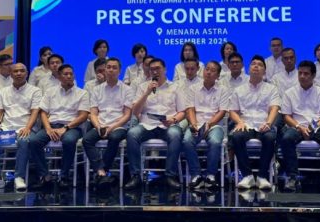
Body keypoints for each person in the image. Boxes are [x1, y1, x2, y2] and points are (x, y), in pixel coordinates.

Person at [124, 58, 186, 189]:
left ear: (165, 69)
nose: (155, 72)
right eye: (152, 69)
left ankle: (170, 176)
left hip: (168, 124)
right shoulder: (143, 87)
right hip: (147, 125)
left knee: (176, 134)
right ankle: (135, 176)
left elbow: (182, 112)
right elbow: (135, 111)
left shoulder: (175, 87)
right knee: (132, 134)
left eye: (158, 68)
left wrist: (173, 120)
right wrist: (147, 92)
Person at [0, 63, 42, 191]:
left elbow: (35, 112)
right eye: (15, 71)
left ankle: (19, 177)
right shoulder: (3, 91)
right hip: (7, 128)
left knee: (23, 140)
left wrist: (28, 128)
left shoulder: (35, 91)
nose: (19, 73)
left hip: (25, 128)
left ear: (27, 73)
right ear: (11, 74)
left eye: (22, 71)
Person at [280, 60, 320, 193]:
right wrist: (299, 127)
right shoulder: (289, 93)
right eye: (300, 73)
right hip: (296, 126)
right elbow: (286, 116)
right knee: (286, 139)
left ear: (313, 75)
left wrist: (313, 126)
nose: (302, 76)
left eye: (306, 74)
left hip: (317, 126)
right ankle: (292, 177)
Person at [30, 64, 90, 188]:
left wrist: (66, 128)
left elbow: (83, 116)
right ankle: (45, 175)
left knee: (68, 141)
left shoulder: (82, 93)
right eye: (65, 74)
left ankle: (64, 176)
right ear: (59, 76)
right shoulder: (50, 91)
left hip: (72, 127)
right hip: (51, 125)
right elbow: (43, 112)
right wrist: (48, 128)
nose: (69, 76)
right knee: (34, 141)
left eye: (71, 74)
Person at [229, 55, 279, 190]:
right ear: (248, 69)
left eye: (260, 65)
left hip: (264, 124)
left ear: (264, 71)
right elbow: (232, 111)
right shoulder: (239, 90)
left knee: (270, 137)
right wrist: (239, 122)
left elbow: (274, 108)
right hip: (246, 124)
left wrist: (268, 123)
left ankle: (262, 176)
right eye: (253, 64)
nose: (256, 66)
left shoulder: (271, 89)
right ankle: (247, 176)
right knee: (237, 136)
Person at [83, 57, 133, 186]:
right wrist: (99, 126)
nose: (111, 70)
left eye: (114, 68)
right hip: (100, 124)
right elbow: (93, 113)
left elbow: (127, 115)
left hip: (119, 126)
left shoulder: (127, 90)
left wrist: (111, 128)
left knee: (114, 137)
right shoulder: (97, 89)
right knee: (87, 140)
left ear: (119, 71)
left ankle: (102, 171)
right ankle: (101, 172)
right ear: (105, 70)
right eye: (108, 67)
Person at [183, 61, 230, 190]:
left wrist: (209, 124)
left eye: (213, 70)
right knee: (187, 140)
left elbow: (222, 111)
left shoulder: (223, 90)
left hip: (215, 125)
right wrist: (194, 124)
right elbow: (190, 109)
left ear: (218, 75)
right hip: (196, 124)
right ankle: (196, 175)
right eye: (207, 69)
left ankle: (210, 176)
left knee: (215, 142)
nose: (208, 72)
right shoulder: (193, 89)